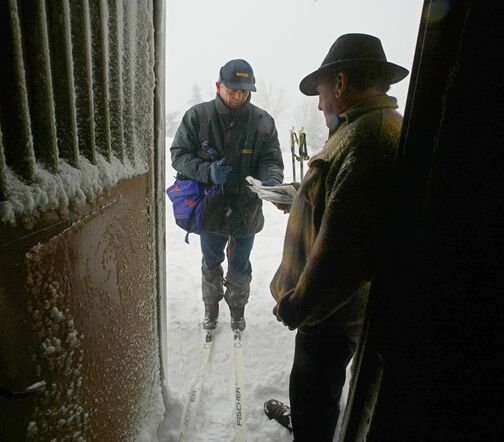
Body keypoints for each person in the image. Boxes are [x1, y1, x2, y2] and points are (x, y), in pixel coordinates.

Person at [263, 34, 409, 441]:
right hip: (332, 306)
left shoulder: (368, 140)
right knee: (315, 390)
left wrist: (297, 306)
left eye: (322, 90)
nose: (319, 102)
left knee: (314, 392)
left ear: (341, 83)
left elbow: (345, 254)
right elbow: (342, 201)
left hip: (329, 311)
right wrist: (299, 196)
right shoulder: (363, 128)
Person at [170, 59, 284, 332]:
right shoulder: (198, 116)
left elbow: (271, 159)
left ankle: (237, 309)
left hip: (246, 208)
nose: (239, 96)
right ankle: (211, 307)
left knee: (240, 266)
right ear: (218, 86)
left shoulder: (262, 121)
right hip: (210, 207)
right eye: (233, 89)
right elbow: (178, 155)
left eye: (245, 91)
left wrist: (271, 180)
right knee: (210, 262)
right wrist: (207, 171)